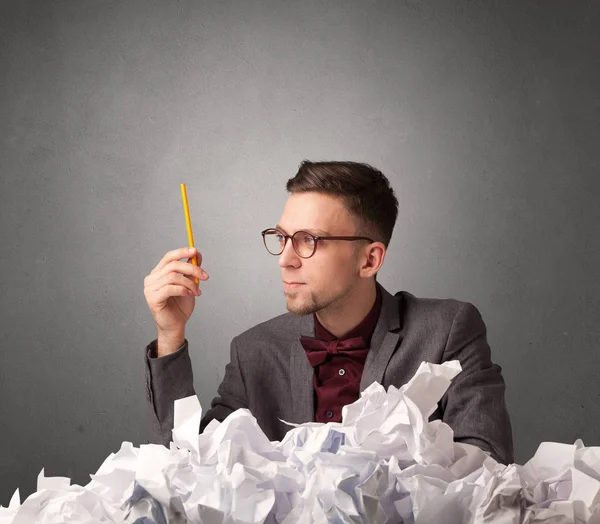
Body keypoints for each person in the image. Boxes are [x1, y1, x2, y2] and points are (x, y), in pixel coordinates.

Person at [143, 161, 514, 464]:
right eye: (282, 237)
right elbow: (188, 465)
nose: (285, 260)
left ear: (369, 260)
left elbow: (486, 467)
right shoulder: (253, 350)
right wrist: (171, 335)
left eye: (309, 241)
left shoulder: (447, 330)